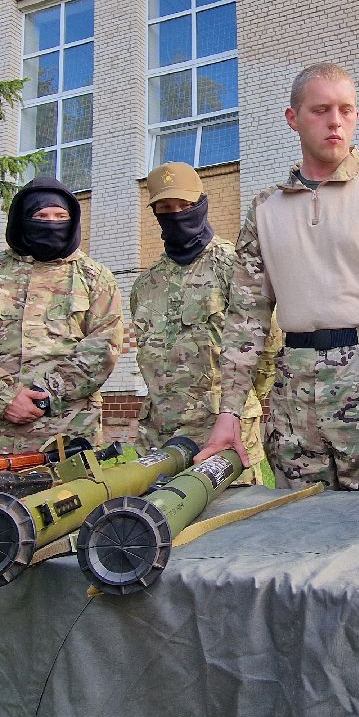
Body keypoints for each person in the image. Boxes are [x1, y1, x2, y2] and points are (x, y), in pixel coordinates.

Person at [196, 63, 359, 496]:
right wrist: (230, 413)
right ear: (293, 118)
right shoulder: (266, 210)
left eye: (347, 110)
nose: (335, 122)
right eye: (321, 110)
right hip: (294, 404)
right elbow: (244, 322)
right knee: (298, 530)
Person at [0, 176, 123, 454]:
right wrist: (5, 397)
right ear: (21, 220)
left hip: (70, 435)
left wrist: (46, 396)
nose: (51, 222)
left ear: (72, 220)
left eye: (59, 216)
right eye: (41, 216)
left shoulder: (94, 276)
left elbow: (104, 346)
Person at [129, 161, 279, 484]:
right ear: (155, 213)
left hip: (224, 436)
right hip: (161, 439)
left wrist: (240, 402)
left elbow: (268, 345)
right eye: (166, 208)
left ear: (201, 204)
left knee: (231, 529)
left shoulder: (233, 265)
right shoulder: (145, 285)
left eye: (185, 205)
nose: (177, 214)